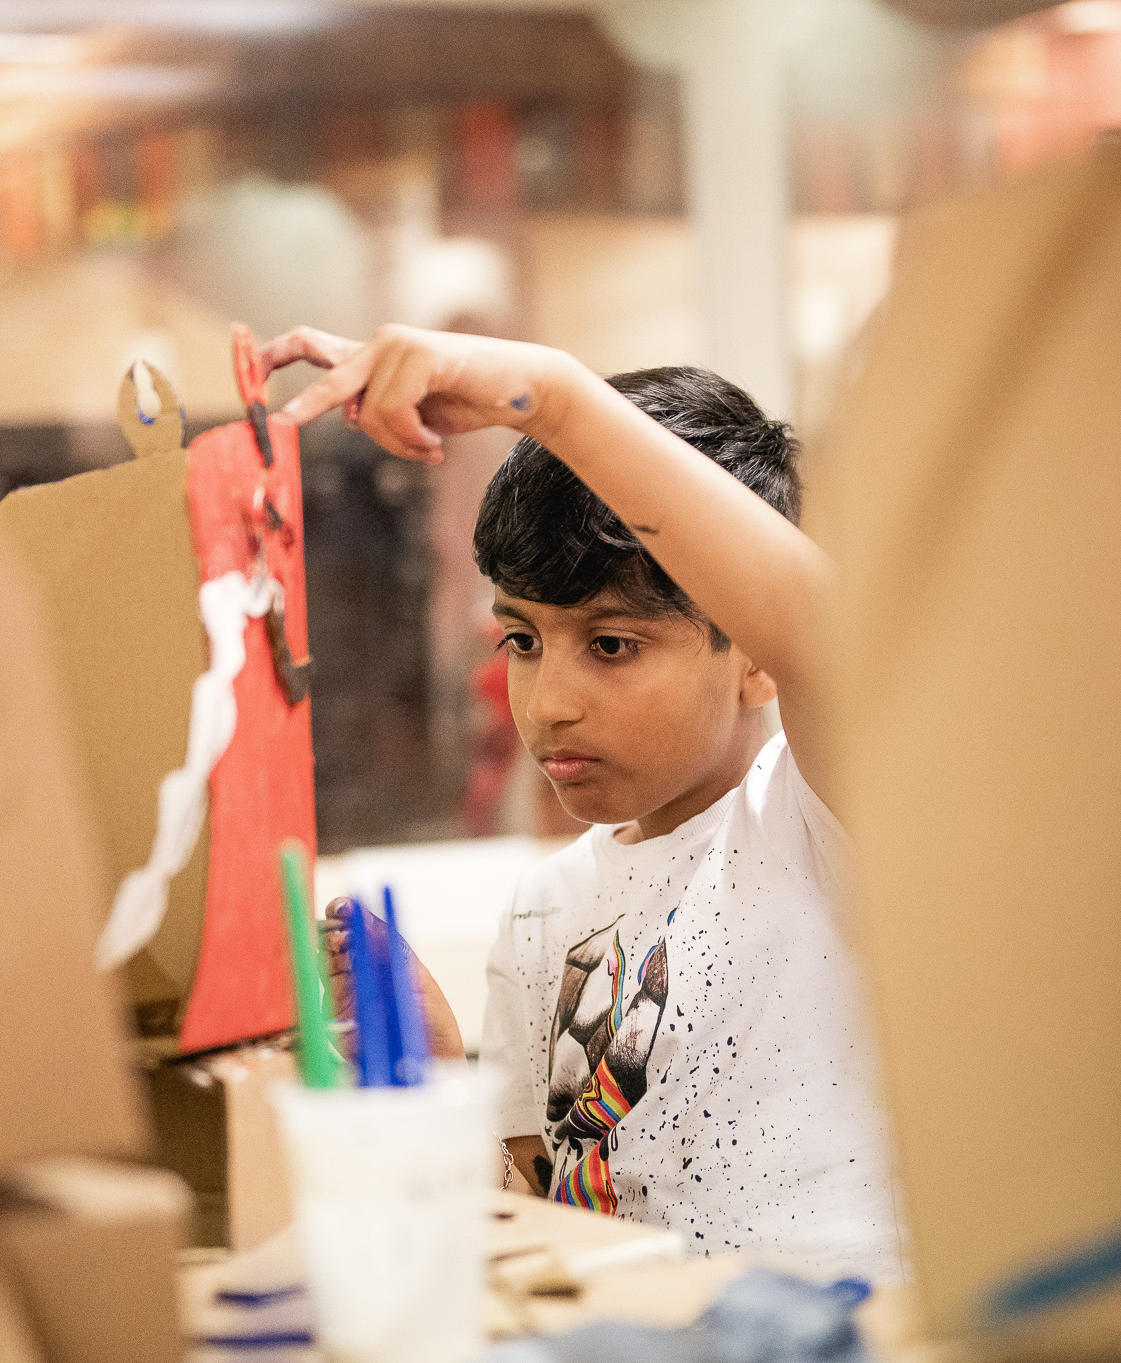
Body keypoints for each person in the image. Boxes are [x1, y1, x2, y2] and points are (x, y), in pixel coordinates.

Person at [263, 324, 904, 1283]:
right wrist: (430, 1079)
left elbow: (824, 629)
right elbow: (541, 1218)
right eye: (522, 640)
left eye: (612, 644)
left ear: (757, 659)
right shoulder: (541, 914)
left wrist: (554, 398)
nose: (548, 700)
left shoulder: (816, 823)